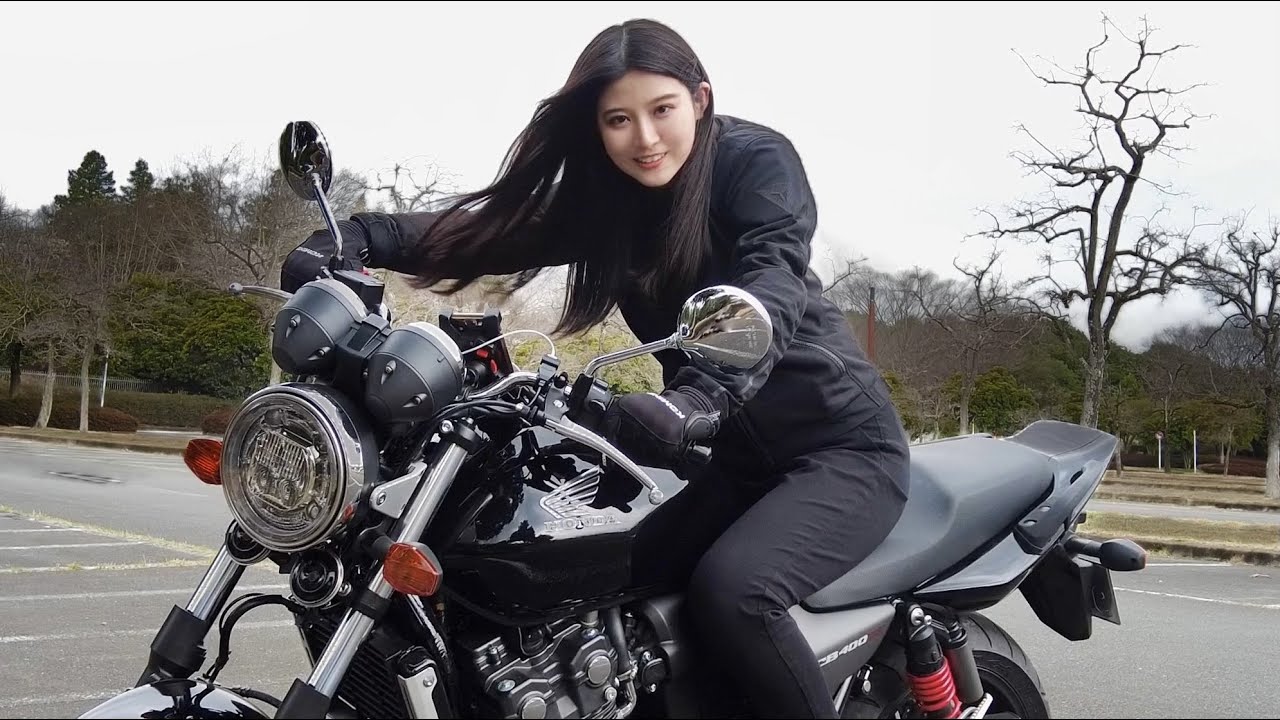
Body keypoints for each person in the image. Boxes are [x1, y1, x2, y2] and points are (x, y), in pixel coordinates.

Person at [281, 18, 910, 719]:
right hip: (722, 456)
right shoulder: (609, 201)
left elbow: (773, 276)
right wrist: (363, 236)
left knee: (734, 593)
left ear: (700, 100)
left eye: (662, 110)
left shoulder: (755, 163)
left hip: (838, 450)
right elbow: (489, 232)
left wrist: (702, 394)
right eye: (619, 120)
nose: (645, 138)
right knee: (595, 568)